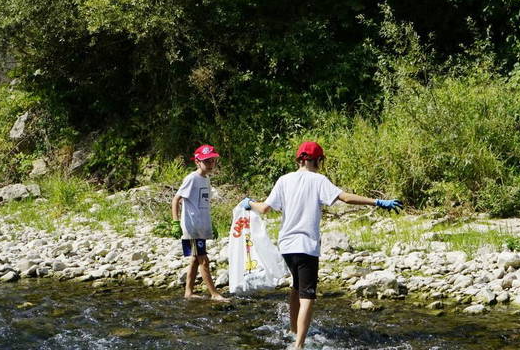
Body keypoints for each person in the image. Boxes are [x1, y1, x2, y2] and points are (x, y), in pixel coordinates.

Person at [241, 141, 402, 349]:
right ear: (318, 160)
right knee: (307, 294)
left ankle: (293, 331)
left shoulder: (284, 180)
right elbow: (345, 198)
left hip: (287, 246)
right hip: (306, 246)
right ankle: (299, 345)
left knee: (296, 287)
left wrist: (249, 202)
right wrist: (377, 202)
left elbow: (264, 209)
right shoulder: (318, 180)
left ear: (299, 159)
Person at [171, 144, 229, 302]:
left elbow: (205, 203)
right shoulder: (192, 178)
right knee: (204, 259)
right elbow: (176, 199)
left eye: (212, 161)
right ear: (197, 162)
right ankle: (214, 293)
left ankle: (188, 292)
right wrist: (175, 222)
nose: (210, 164)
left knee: (195, 259)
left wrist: (212, 224)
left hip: (201, 226)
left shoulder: (206, 179)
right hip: (192, 227)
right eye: (207, 161)